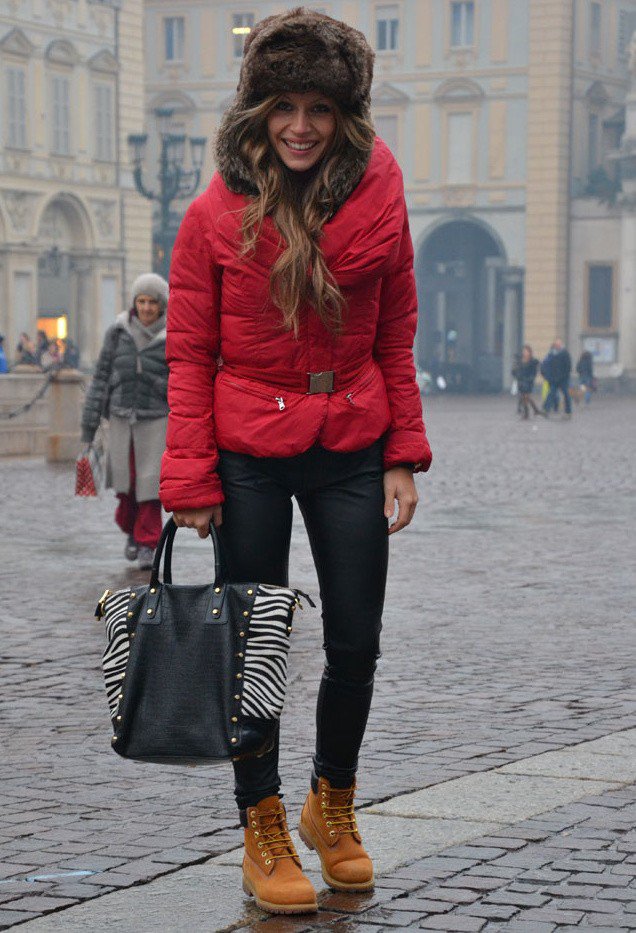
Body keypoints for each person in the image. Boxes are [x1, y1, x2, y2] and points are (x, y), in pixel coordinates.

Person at [159, 8, 432, 916]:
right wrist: (192, 478)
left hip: (353, 439)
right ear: (257, 114)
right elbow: (190, 352)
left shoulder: (380, 201)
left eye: (320, 106)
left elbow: (396, 332)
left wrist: (404, 456)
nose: (302, 125)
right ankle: (263, 822)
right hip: (249, 450)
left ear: (346, 115)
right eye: (284, 105)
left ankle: (332, 802)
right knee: (257, 647)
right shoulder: (210, 217)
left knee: (356, 637)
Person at [81, 274, 169, 570]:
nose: (146, 308)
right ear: (134, 303)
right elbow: (101, 377)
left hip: (156, 420)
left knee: (149, 485)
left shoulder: (174, 334)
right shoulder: (117, 332)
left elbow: (183, 379)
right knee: (125, 484)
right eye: (141, 301)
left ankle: (148, 542)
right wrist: (88, 428)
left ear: (162, 305)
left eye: (152, 302)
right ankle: (132, 531)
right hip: (119, 418)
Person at [512, 345, 545, 419]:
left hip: (528, 381)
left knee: (526, 396)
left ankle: (529, 413)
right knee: (523, 397)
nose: (525, 353)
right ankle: (533, 411)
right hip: (520, 380)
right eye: (524, 351)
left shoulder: (532, 361)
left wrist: (531, 377)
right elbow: (515, 370)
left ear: (530, 352)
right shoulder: (519, 360)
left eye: (526, 351)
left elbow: (535, 370)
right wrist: (516, 374)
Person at [543, 339, 572, 417]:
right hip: (554, 379)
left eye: (558, 344)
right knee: (551, 394)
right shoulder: (552, 354)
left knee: (566, 394)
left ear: (561, 345)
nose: (557, 346)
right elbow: (548, 365)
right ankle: (546, 409)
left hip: (563, 379)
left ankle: (568, 411)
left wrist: (565, 376)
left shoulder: (565, 353)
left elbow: (568, 367)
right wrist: (549, 376)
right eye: (556, 344)